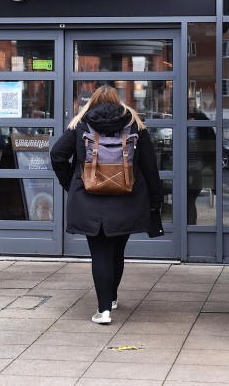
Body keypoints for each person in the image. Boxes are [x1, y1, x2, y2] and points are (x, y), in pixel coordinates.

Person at [50, 84, 164, 325]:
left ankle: (103, 311)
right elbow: (150, 167)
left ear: (92, 101)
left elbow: (57, 155)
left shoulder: (79, 124)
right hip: (127, 199)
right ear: (119, 101)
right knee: (117, 250)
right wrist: (155, 200)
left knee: (99, 252)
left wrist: (71, 183)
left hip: (90, 199)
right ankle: (111, 298)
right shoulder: (134, 124)